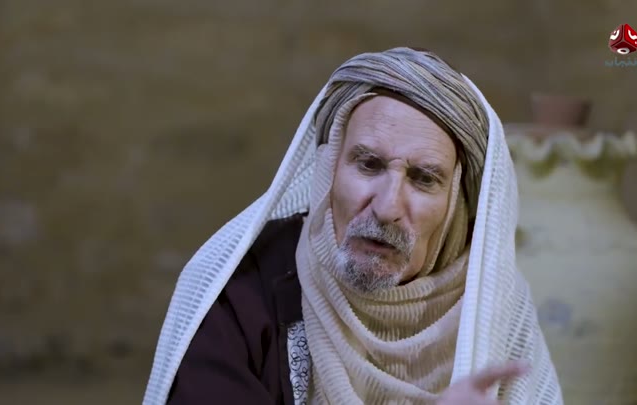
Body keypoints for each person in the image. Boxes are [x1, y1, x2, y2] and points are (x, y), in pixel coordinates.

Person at [142, 47, 564, 405]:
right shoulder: (240, 291)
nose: (387, 207)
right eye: (369, 165)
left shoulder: (495, 303)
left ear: (457, 204)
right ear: (328, 170)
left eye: (423, 179)